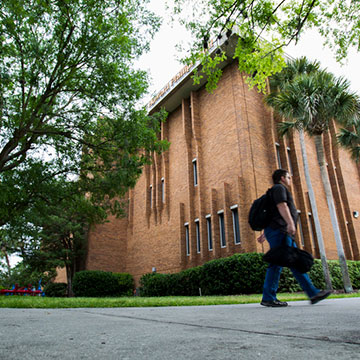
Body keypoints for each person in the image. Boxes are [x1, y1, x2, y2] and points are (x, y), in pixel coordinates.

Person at [258, 169, 331, 307]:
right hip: (281, 231)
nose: (290, 179)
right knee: (287, 261)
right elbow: (281, 206)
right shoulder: (279, 188)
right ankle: (311, 293)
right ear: (282, 178)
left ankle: (310, 293)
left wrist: (265, 233)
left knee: (285, 262)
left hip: (276, 230)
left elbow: (273, 214)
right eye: (288, 177)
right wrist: (290, 223)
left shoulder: (275, 190)